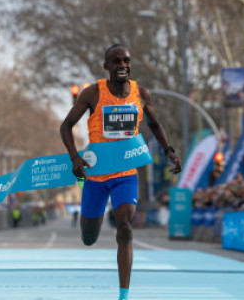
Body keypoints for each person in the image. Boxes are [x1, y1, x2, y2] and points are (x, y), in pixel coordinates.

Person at [60, 44, 182, 300]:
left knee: (125, 228)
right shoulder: (93, 93)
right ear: (106, 66)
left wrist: (168, 150)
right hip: (95, 174)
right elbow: (67, 125)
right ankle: (91, 222)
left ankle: (123, 295)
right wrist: (75, 158)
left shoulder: (141, 94)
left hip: (125, 173)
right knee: (89, 237)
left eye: (125, 61)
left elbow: (155, 124)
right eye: (115, 61)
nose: (121, 66)